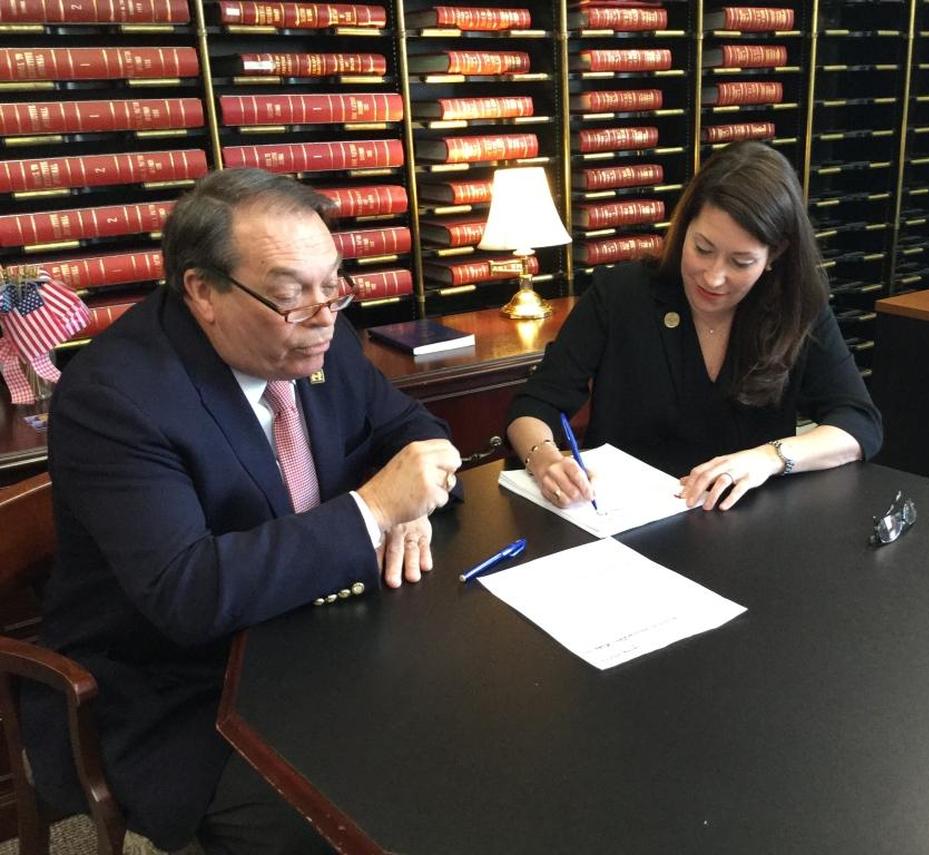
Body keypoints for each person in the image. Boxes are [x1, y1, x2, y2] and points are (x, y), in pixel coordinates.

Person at [23, 168, 462, 854]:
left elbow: (413, 427)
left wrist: (408, 503)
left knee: (465, 735)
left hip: (317, 637)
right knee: (356, 819)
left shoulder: (321, 333)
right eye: (292, 293)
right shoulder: (115, 398)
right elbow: (187, 593)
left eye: (335, 283)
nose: (324, 314)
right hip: (175, 686)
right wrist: (373, 507)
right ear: (202, 289)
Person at [507, 141, 882, 511]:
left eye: (741, 261)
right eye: (702, 249)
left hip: (742, 526)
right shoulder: (621, 294)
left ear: (775, 255)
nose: (714, 278)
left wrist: (768, 458)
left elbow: (858, 423)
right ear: (684, 227)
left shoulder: (794, 308)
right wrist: (545, 459)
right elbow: (536, 403)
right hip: (625, 522)